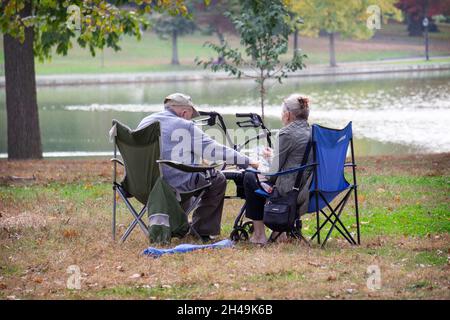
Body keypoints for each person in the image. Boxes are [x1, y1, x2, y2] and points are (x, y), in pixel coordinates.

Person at [137, 93, 258, 241]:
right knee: (217, 179)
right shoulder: (184, 125)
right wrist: (247, 161)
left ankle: (176, 220)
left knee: (188, 175)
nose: (190, 118)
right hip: (172, 185)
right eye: (190, 115)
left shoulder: (145, 121)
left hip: (142, 186)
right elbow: (214, 149)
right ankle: (201, 229)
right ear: (184, 112)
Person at [243, 94, 313, 245]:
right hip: (308, 187)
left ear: (288, 115)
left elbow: (273, 174)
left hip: (290, 192)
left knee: (250, 176)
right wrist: (274, 156)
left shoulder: (286, 133)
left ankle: (259, 235)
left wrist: (257, 165)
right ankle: (279, 232)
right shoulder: (313, 133)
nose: (281, 116)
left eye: (282, 112)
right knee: (256, 176)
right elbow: (298, 159)